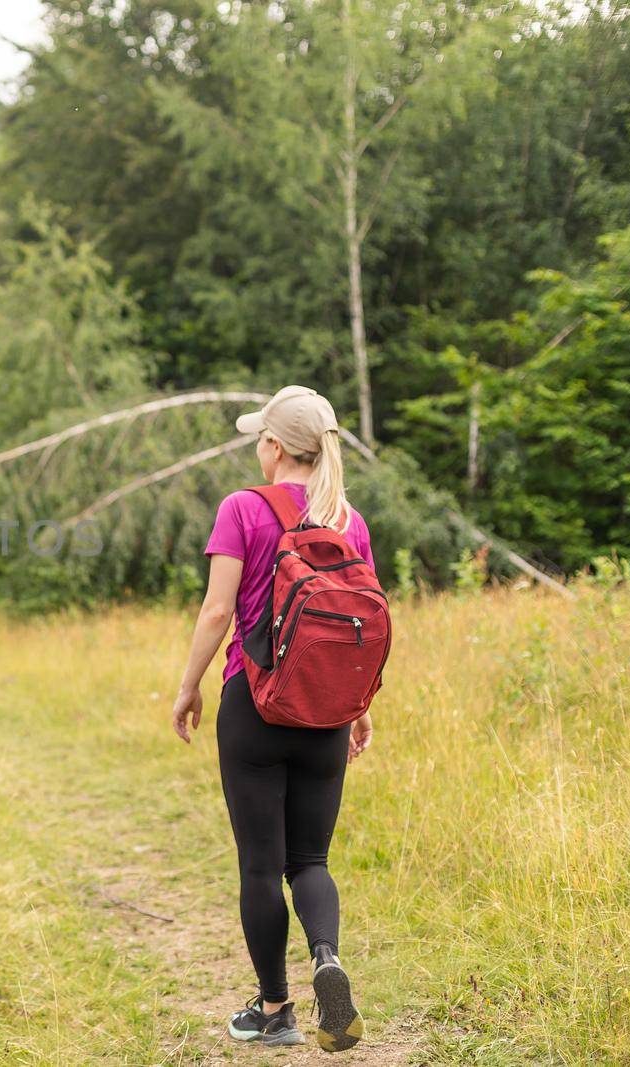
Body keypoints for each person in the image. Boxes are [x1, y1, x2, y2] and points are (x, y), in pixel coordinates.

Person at [170, 386, 375, 1053]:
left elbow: (216, 610)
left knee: (260, 865)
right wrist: (360, 707)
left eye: (260, 437)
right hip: (325, 713)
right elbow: (358, 625)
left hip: (254, 706)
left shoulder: (242, 508)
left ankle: (275, 1009)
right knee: (309, 858)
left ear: (276, 446)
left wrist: (188, 684)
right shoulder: (350, 519)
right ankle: (328, 959)